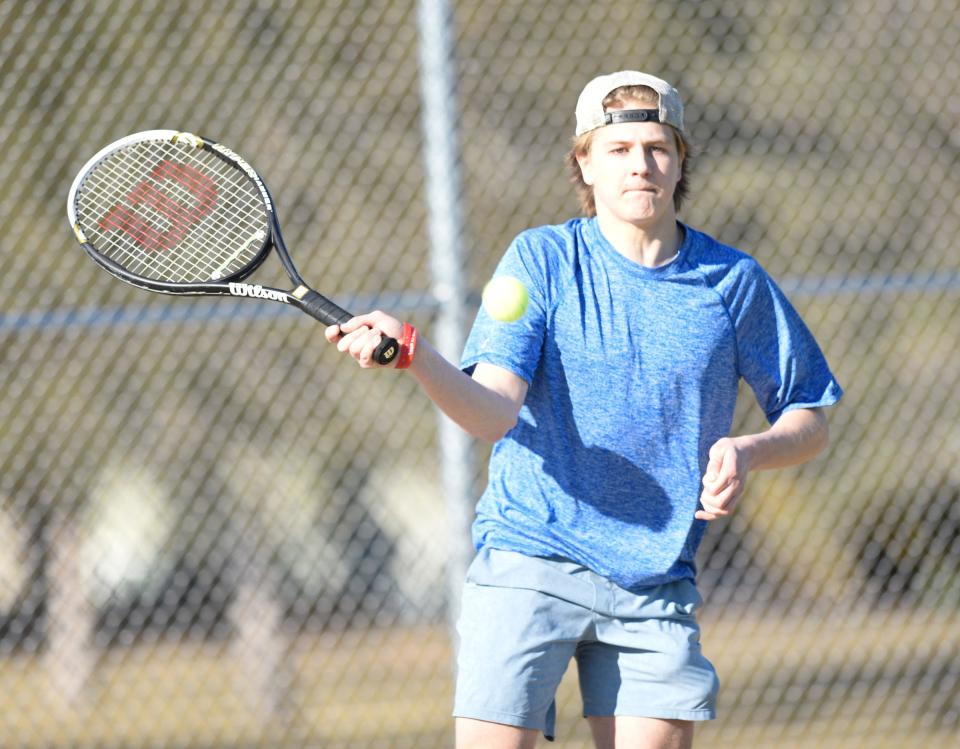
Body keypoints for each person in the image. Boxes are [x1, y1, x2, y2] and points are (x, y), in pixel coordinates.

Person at [324, 70, 843, 749]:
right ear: (585, 163)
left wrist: (749, 449)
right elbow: (493, 414)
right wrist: (417, 356)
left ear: (680, 160)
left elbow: (810, 416)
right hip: (531, 553)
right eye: (619, 149)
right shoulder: (541, 260)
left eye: (658, 147)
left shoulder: (732, 282)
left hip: (655, 577)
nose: (641, 165)